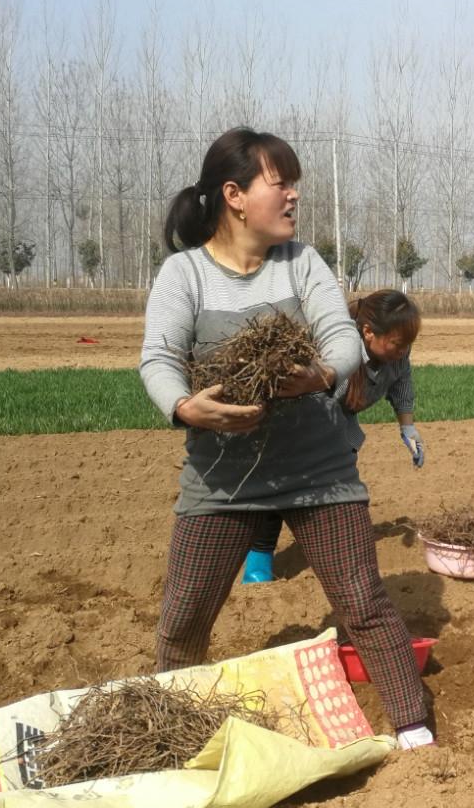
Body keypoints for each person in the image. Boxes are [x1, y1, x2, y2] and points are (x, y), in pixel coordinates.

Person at [138, 127, 434, 750]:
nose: (295, 196)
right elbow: (158, 359)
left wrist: (322, 373)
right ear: (235, 195)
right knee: (184, 616)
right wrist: (188, 408)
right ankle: (166, 739)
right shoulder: (184, 274)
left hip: (318, 468)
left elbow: (342, 337)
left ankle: (415, 732)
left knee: (364, 605)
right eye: (282, 183)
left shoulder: (303, 263)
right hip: (223, 476)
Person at [241, 289, 426, 583]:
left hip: (341, 423)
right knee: (281, 489)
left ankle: (336, 550)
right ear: (368, 332)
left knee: (342, 488)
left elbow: (402, 382)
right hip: (302, 417)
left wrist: (407, 427)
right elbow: (316, 399)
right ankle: (259, 559)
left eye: (408, 345)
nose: (403, 351)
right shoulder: (340, 350)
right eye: (397, 343)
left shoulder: (398, 354)